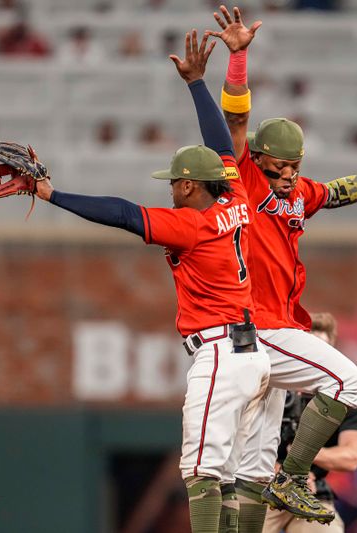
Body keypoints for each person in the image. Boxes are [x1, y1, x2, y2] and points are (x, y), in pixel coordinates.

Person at [205, 5, 357, 528]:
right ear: (261, 161)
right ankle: (293, 475)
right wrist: (238, 59)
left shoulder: (300, 194)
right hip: (259, 324)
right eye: (281, 167)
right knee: (348, 380)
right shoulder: (246, 180)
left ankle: (275, 486)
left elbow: (344, 190)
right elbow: (235, 120)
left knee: (252, 462)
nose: (290, 176)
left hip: (277, 326)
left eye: (296, 167)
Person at [28, 31, 271, 533]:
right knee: (228, 477)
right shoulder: (236, 200)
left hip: (221, 353)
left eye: (175, 182)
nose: (172, 190)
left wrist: (51, 193)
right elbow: (222, 144)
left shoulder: (193, 223)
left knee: (201, 472)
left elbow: (122, 213)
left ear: (188, 185)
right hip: (253, 355)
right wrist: (198, 85)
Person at [263, 312, 357, 533]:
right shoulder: (270, 382)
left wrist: (300, 461)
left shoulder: (347, 393)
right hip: (259, 484)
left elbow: (351, 457)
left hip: (310, 491)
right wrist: (275, 470)